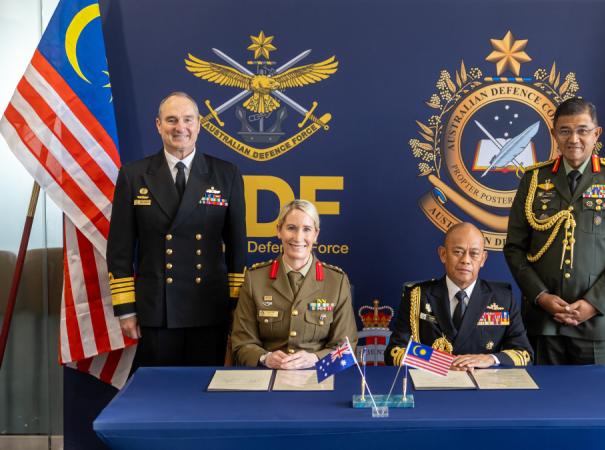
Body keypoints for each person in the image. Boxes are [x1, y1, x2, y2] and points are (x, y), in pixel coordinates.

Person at [107, 91, 247, 367]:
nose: (179, 127)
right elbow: (120, 249)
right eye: (171, 120)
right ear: (158, 125)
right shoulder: (134, 175)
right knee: (160, 396)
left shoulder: (226, 174)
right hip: (158, 309)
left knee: (203, 395)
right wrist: (125, 310)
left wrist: (235, 305)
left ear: (199, 124)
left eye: (187, 119)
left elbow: (237, 247)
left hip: (208, 306)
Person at [503, 97, 605, 375]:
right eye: (565, 130)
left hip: (599, 322)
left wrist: (593, 303)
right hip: (544, 321)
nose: (574, 139)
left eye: (582, 130)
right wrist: (540, 296)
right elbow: (515, 249)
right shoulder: (533, 180)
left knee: (597, 411)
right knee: (543, 410)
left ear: (596, 134)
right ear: (554, 134)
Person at [385, 222, 532, 369]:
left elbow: (524, 354)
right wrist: (441, 362)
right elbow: (395, 351)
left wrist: (491, 359)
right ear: (443, 254)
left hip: (484, 387)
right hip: (433, 385)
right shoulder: (417, 296)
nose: (466, 260)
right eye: (458, 252)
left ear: (483, 259)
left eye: (474, 253)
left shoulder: (503, 299)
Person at [232, 199, 358, 369]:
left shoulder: (336, 281)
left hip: (318, 374)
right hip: (267, 374)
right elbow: (241, 343)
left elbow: (346, 349)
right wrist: (265, 358)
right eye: (291, 228)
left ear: (316, 235)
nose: (298, 237)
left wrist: (315, 358)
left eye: (306, 229)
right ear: (279, 231)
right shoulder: (255, 279)